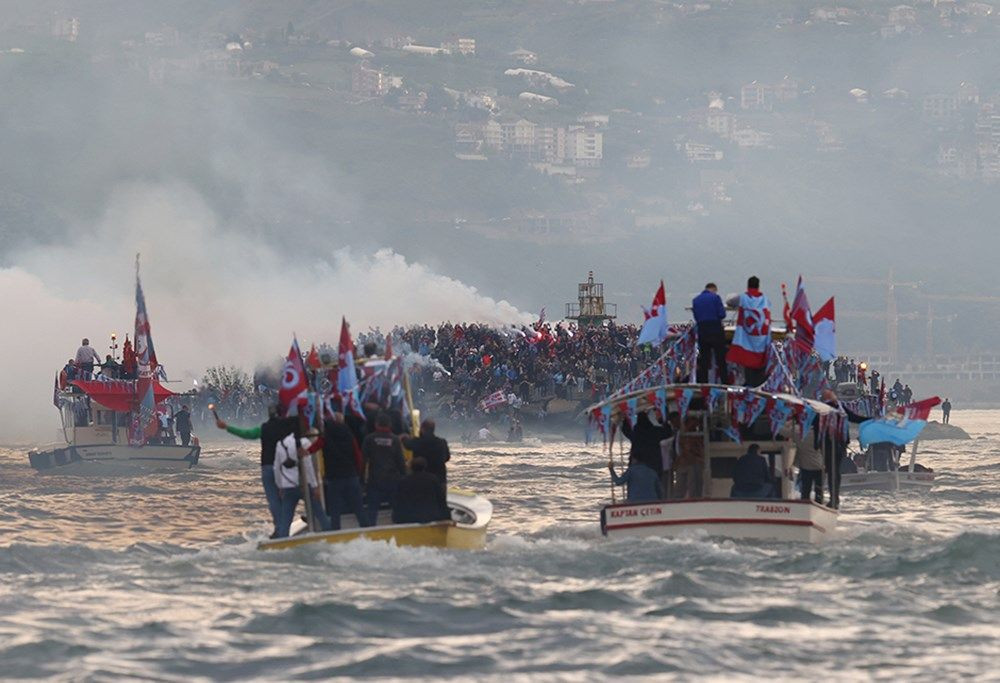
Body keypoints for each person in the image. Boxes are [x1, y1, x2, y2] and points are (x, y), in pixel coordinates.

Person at [216, 405, 298, 538]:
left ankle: (279, 529)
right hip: (284, 467)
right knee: (289, 497)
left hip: (267, 468)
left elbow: (247, 434)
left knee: (274, 501)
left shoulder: (264, 428)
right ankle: (285, 528)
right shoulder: (288, 427)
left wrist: (227, 427)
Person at [318, 411, 370, 530]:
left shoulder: (325, 437)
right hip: (350, 475)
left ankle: (336, 532)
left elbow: (313, 448)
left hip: (334, 477)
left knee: (335, 510)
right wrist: (358, 473)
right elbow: (357, 455)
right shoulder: (349, 435)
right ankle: (367, 530)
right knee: (358, 507)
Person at [273, 427, 328, 537]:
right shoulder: (305, 442)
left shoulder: (280, 444)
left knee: (286, 519)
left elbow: (276, 468)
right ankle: (329, 533)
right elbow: (308, 466)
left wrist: (279, 486)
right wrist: (315, 485)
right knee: (320, 513)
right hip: (305, 485)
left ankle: (283, 541)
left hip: (288, 486)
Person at [363, 412, 407, 525]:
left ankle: (370, 535)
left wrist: (361, 479)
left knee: (372, 511)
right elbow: (400, 461)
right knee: (397, 509)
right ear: (389, 425)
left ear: (376, 424)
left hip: (375, 480)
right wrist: (405, 477)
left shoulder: (369, 439)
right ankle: (400, 530)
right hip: (392, 480)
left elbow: (363, 461)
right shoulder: (395, 440)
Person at [726, 276, 772, 387]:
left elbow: (730, 301)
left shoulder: (743, 298)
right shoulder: (765, 299)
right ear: (758, 286)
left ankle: (749, 385)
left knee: (747, 361)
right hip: (761, 338)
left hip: (747, 338)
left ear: (748, 285)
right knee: (760, 364)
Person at [392, 457, 451, 524]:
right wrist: (447, 517)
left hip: (409, 518)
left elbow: (398, 501)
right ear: (425, 466)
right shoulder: (432, 479)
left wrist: (396, 518)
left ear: (410, 467)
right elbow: (441, 499)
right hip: (430, 516)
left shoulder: (404, 481)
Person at [692, 282, 728, 384]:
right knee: (721, 358)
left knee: (704, 359)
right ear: (713, 289)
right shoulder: (715, 298)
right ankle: (724, 382)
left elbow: (696, 317)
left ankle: (703, 383)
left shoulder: (696, 300)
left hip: (702, 331)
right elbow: (722, 314)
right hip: (716, 330)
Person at [621, 411, 672, 480]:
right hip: (655, 465)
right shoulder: (656, 431)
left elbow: (625, 429)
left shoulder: (635, 433)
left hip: (638, 466)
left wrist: (625, 419)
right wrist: (662, 421)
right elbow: (669, 432)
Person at [402, 419, 451, 487]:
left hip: (421, 480)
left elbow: (407, 445)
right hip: (439, 479)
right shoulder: (442, 442)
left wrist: (404, 437)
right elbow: (447, 458)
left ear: (422, 429)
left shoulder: (417, 442)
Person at [673, 416, 705, 498]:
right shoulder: (681, 433)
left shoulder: (697, 435)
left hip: (692, 464)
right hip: (682, 463)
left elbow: (699, 450)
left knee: (693, 490)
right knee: (679, 490)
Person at [795, 426, 825, 503]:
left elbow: (783, 431)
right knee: (819, 491)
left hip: (806, 467)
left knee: (805, 490)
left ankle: (804, 505)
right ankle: (819, 504)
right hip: (819, 466)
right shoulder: (820, 434)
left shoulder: (798, 434)